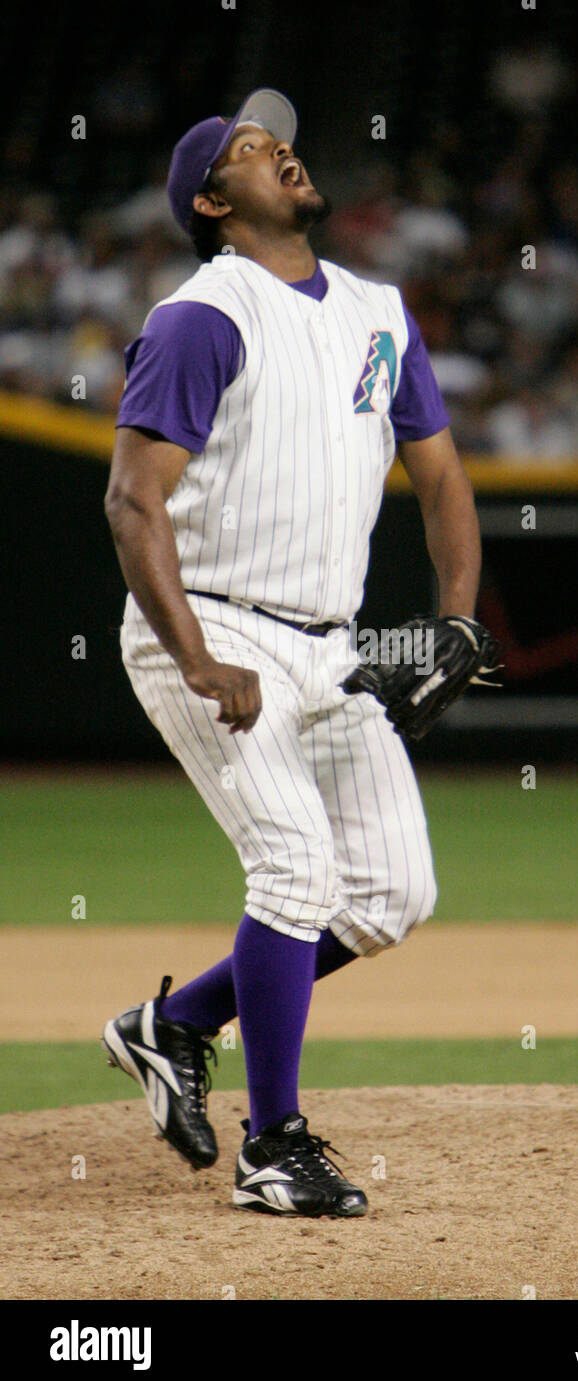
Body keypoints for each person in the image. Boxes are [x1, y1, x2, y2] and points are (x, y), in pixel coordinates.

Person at [102, 87, 483, 1218]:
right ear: (215, 203)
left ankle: (174, 1023)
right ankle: (273, 1146)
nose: (284, 153)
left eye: (282, 141)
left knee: (388, 893)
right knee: (295, 871)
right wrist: (196, 657)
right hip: (212, 624)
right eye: (252, 152)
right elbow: (132, 501)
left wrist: (457, 620)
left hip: (330, 646)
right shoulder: (201, 318)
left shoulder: (377, 309)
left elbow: (445, 478)